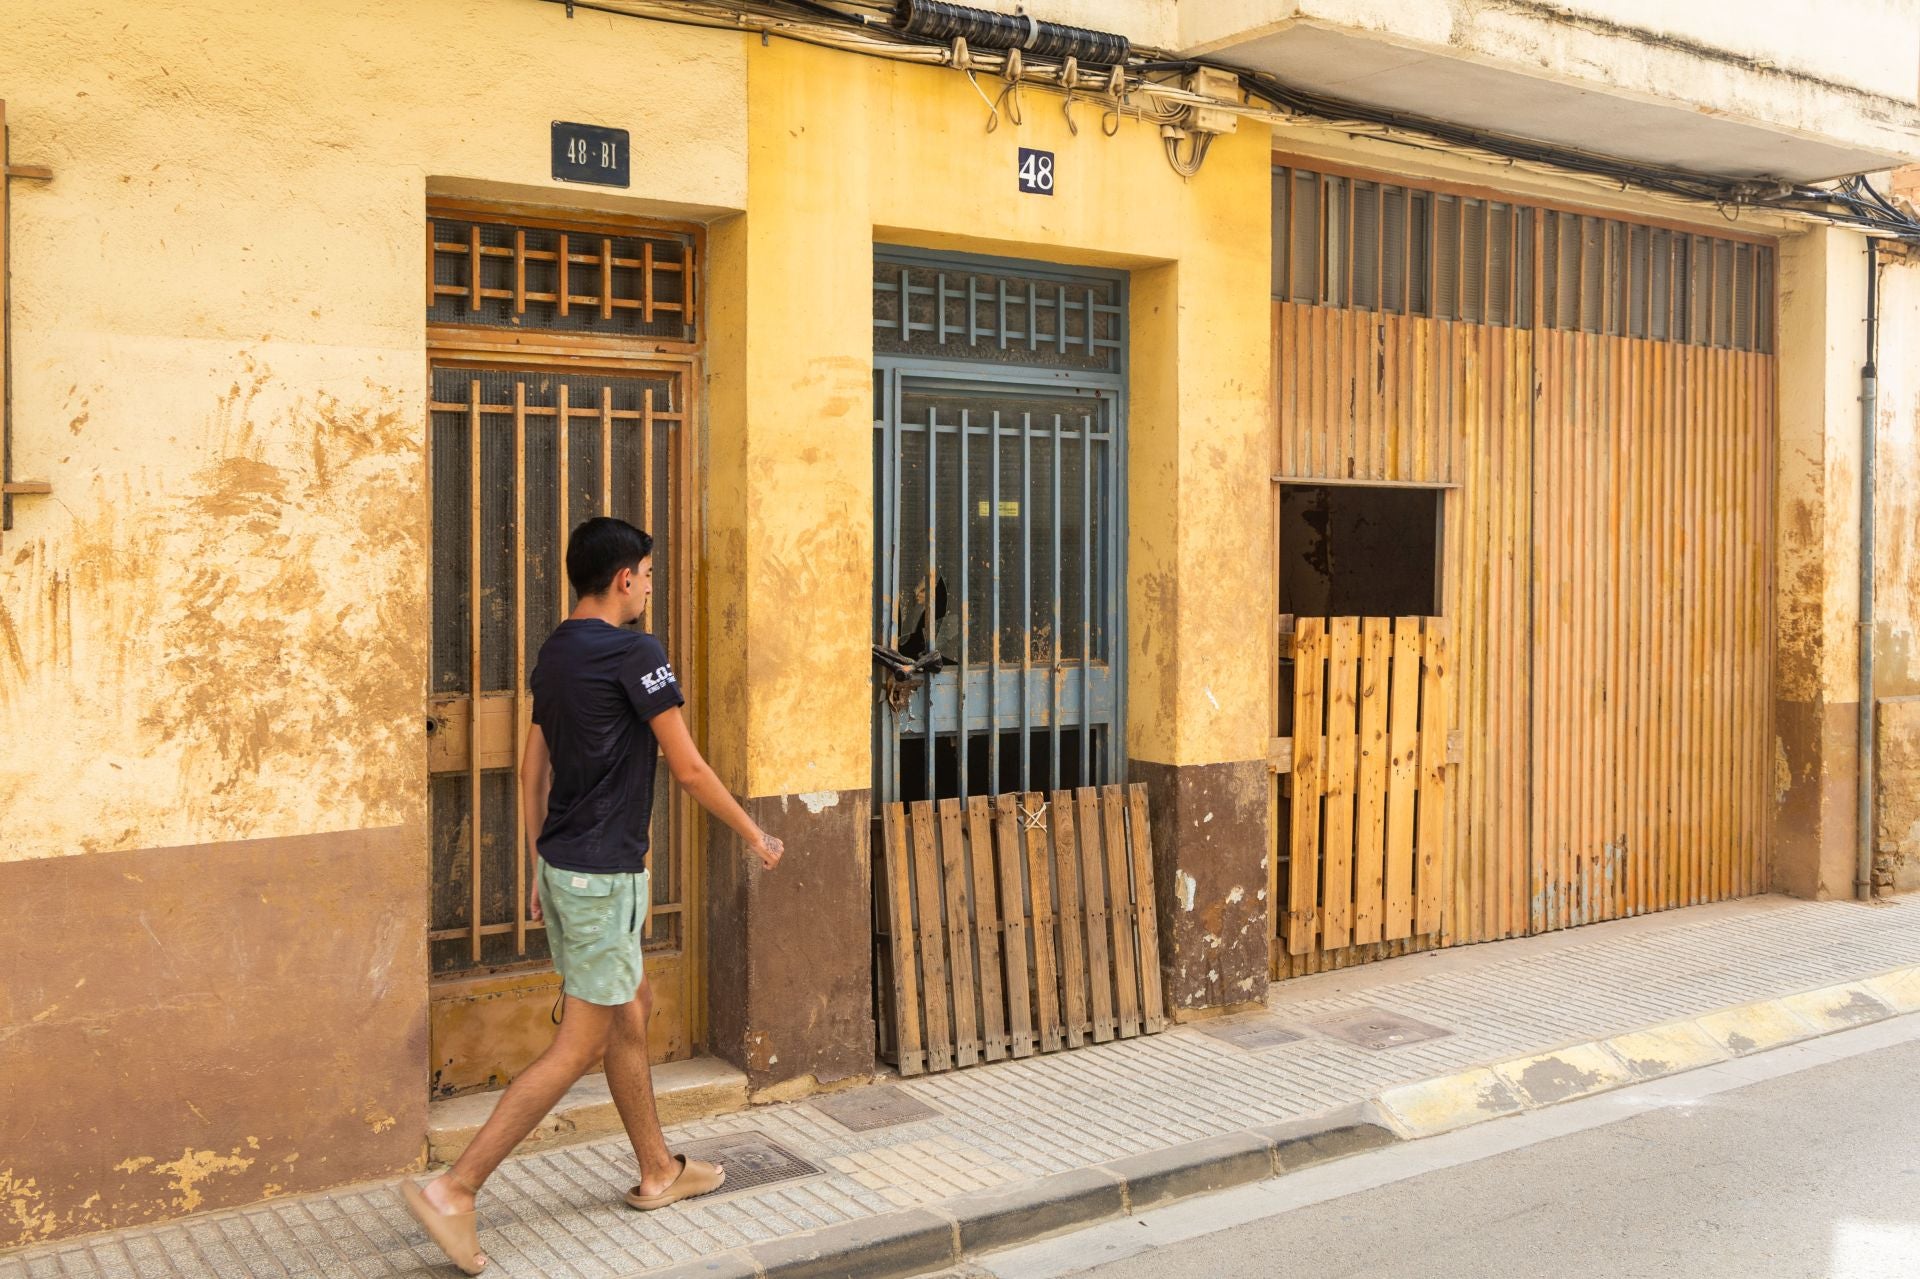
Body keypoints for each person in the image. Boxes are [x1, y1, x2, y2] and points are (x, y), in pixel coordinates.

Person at [398, 516, 784, 1275]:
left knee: (629, 1009)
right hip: (605, 875)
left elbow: (531, 765)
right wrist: (753, 833)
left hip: (567, 866)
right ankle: (455, 1188)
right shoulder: (636, 652)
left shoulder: (555, 650)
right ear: (623, 579)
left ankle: (658, 1171)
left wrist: (537, 861)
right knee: (580, 1042)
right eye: (646, 572)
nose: (648, 584)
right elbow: (689, 768)